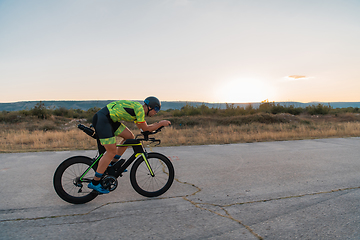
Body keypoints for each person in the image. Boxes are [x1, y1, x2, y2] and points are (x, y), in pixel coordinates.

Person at [88, 96, 171, 194]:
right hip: (103, 119)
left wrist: (156, 126)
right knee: (111, 151)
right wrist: (161, 123)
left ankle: (113, 164)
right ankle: (95, 182)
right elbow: (146, 129)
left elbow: (143, 128)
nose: (156, 112)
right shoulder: (140, 110)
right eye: (156, 109)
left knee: (130, 137)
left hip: (109, 120)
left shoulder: (138, 111)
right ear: (150, 107)